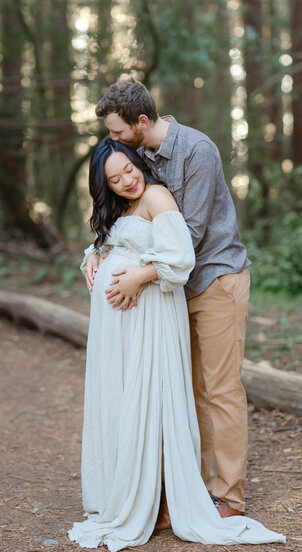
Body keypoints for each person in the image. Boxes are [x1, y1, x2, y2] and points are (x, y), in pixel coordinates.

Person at [68, 138, 285, 552]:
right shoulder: (123, 205)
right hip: (124, 329)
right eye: (114, 179)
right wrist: (96, 254)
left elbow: (180, 254)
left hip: (157, 313)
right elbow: (118, 241)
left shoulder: (156, 193)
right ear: (105, 185)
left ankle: (218, 495)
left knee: (181, 393)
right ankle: (144, 490)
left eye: (129, 170)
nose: (127, 181)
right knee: (128, 398)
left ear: (137, 162)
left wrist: (136, 277)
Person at [86, 79, 251, 521]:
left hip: (214, 279)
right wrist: (96, 252)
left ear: (141, 122)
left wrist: (140, 275)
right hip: (171, 293)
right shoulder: (139, 157)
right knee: (181, 391)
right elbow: (125, 220)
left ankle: (228, 496)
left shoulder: (197, 151)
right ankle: (185, 489)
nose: (113, 140)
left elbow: (187, 237)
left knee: (219, 390)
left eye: (118, 132)